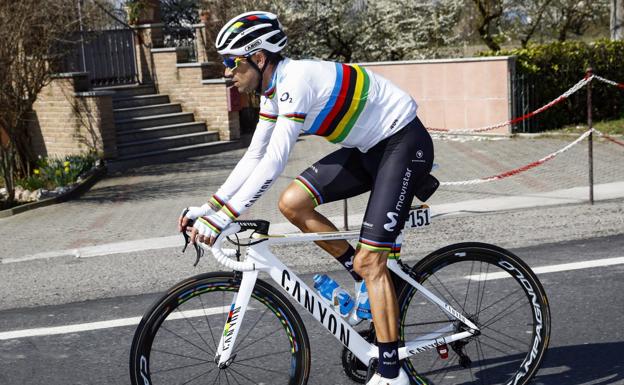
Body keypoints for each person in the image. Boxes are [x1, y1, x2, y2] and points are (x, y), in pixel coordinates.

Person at [178, 11, 434, 385]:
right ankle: (360, 274)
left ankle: (393, 373)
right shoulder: (271, 93)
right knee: (292, 203)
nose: (227, 72)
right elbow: (255, 156)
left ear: (259, 57)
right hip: (369, 148)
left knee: (372, 259)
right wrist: (211, 208)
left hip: (403, 144)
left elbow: (274, 162)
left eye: (232, 62)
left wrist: (222, 219)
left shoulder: (294, 82)